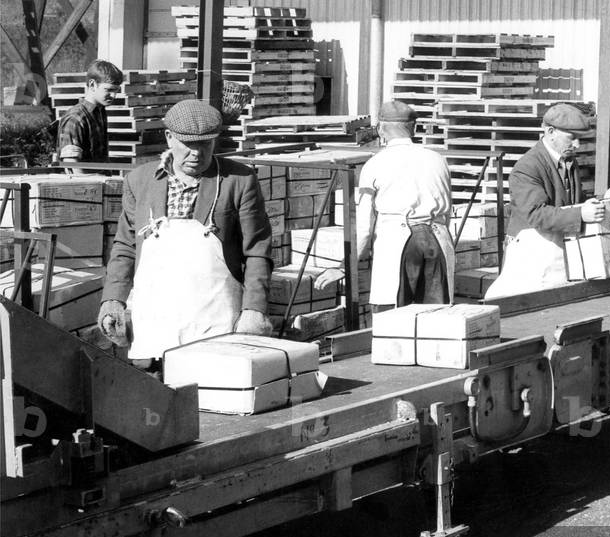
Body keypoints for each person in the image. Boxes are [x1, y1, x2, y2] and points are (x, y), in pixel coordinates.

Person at [98, 99, 273, 372]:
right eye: (188, 144)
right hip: (155, 321)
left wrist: (254, 309)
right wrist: (113, 301)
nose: (196, 153)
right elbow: (125, 247)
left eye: (205, 144)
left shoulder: (238, 181)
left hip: (215, 320)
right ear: (169, 138)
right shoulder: (140, 181)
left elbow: (257, 250)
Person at [484, 102, 610, 298]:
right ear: (550, 131)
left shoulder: (569, 162)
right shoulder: (527, 167)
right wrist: (581, 214)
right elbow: (535, 213)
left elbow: (573, 203)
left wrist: (603, 201)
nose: (577, 145)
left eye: (579, 139)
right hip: (530, 255)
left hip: (555, 251)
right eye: (571, 138)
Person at [315, 100, 453, 311]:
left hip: (397, 242)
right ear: (413, 128)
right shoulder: (438, 159)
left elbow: (363, 228)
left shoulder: (376, 164)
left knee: (391, 317)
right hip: (438, 238)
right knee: (436, 319)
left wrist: (344, 267)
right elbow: (449, 211)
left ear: (381, 129)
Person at [57, 59, 122, 173]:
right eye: (109, 90)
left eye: (116, 91)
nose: (114, 95)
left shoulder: (99, 112)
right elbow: (72, 166)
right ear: (92, 84)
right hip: (83, 187)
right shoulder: (76, 118)